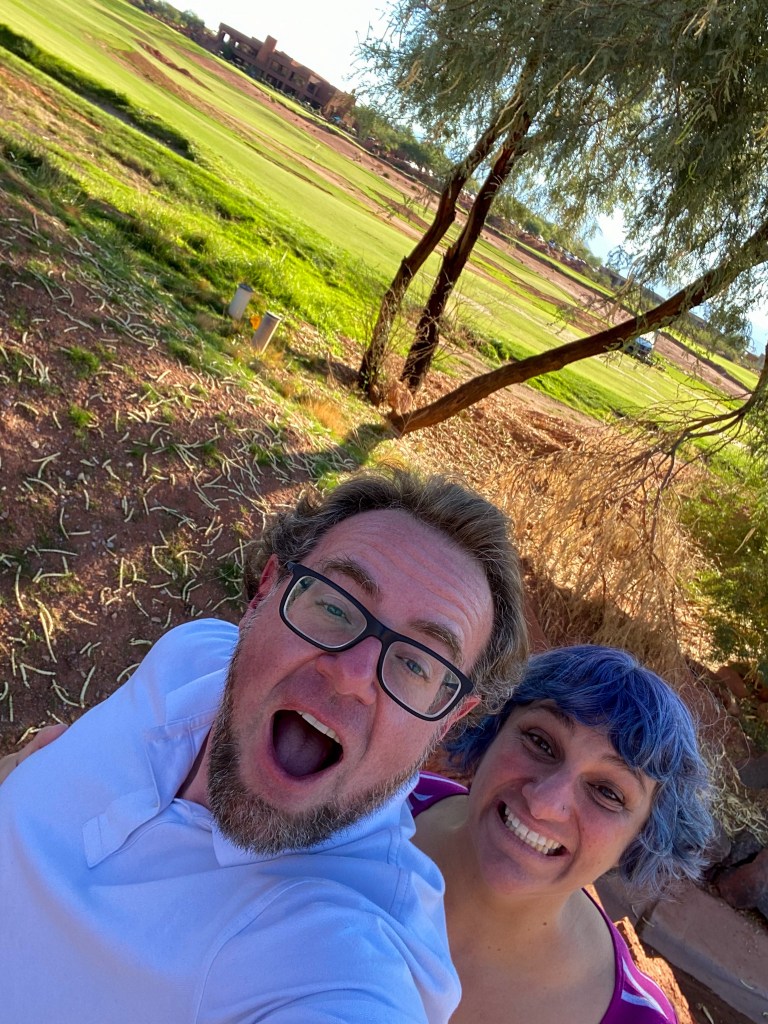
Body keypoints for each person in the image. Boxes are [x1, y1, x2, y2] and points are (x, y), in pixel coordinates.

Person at [0, 468, 528, 1024]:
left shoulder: (345, 959)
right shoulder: (190, 655)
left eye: (417, 664)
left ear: (447, 720)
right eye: (334, 605)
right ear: (263, 595)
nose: (352, 675)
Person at [409, 645, 714, 1024]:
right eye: (540, 742)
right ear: (493, 727)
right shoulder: (375, 807)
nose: (544, 803)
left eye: (607, 792)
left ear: (641, 841)